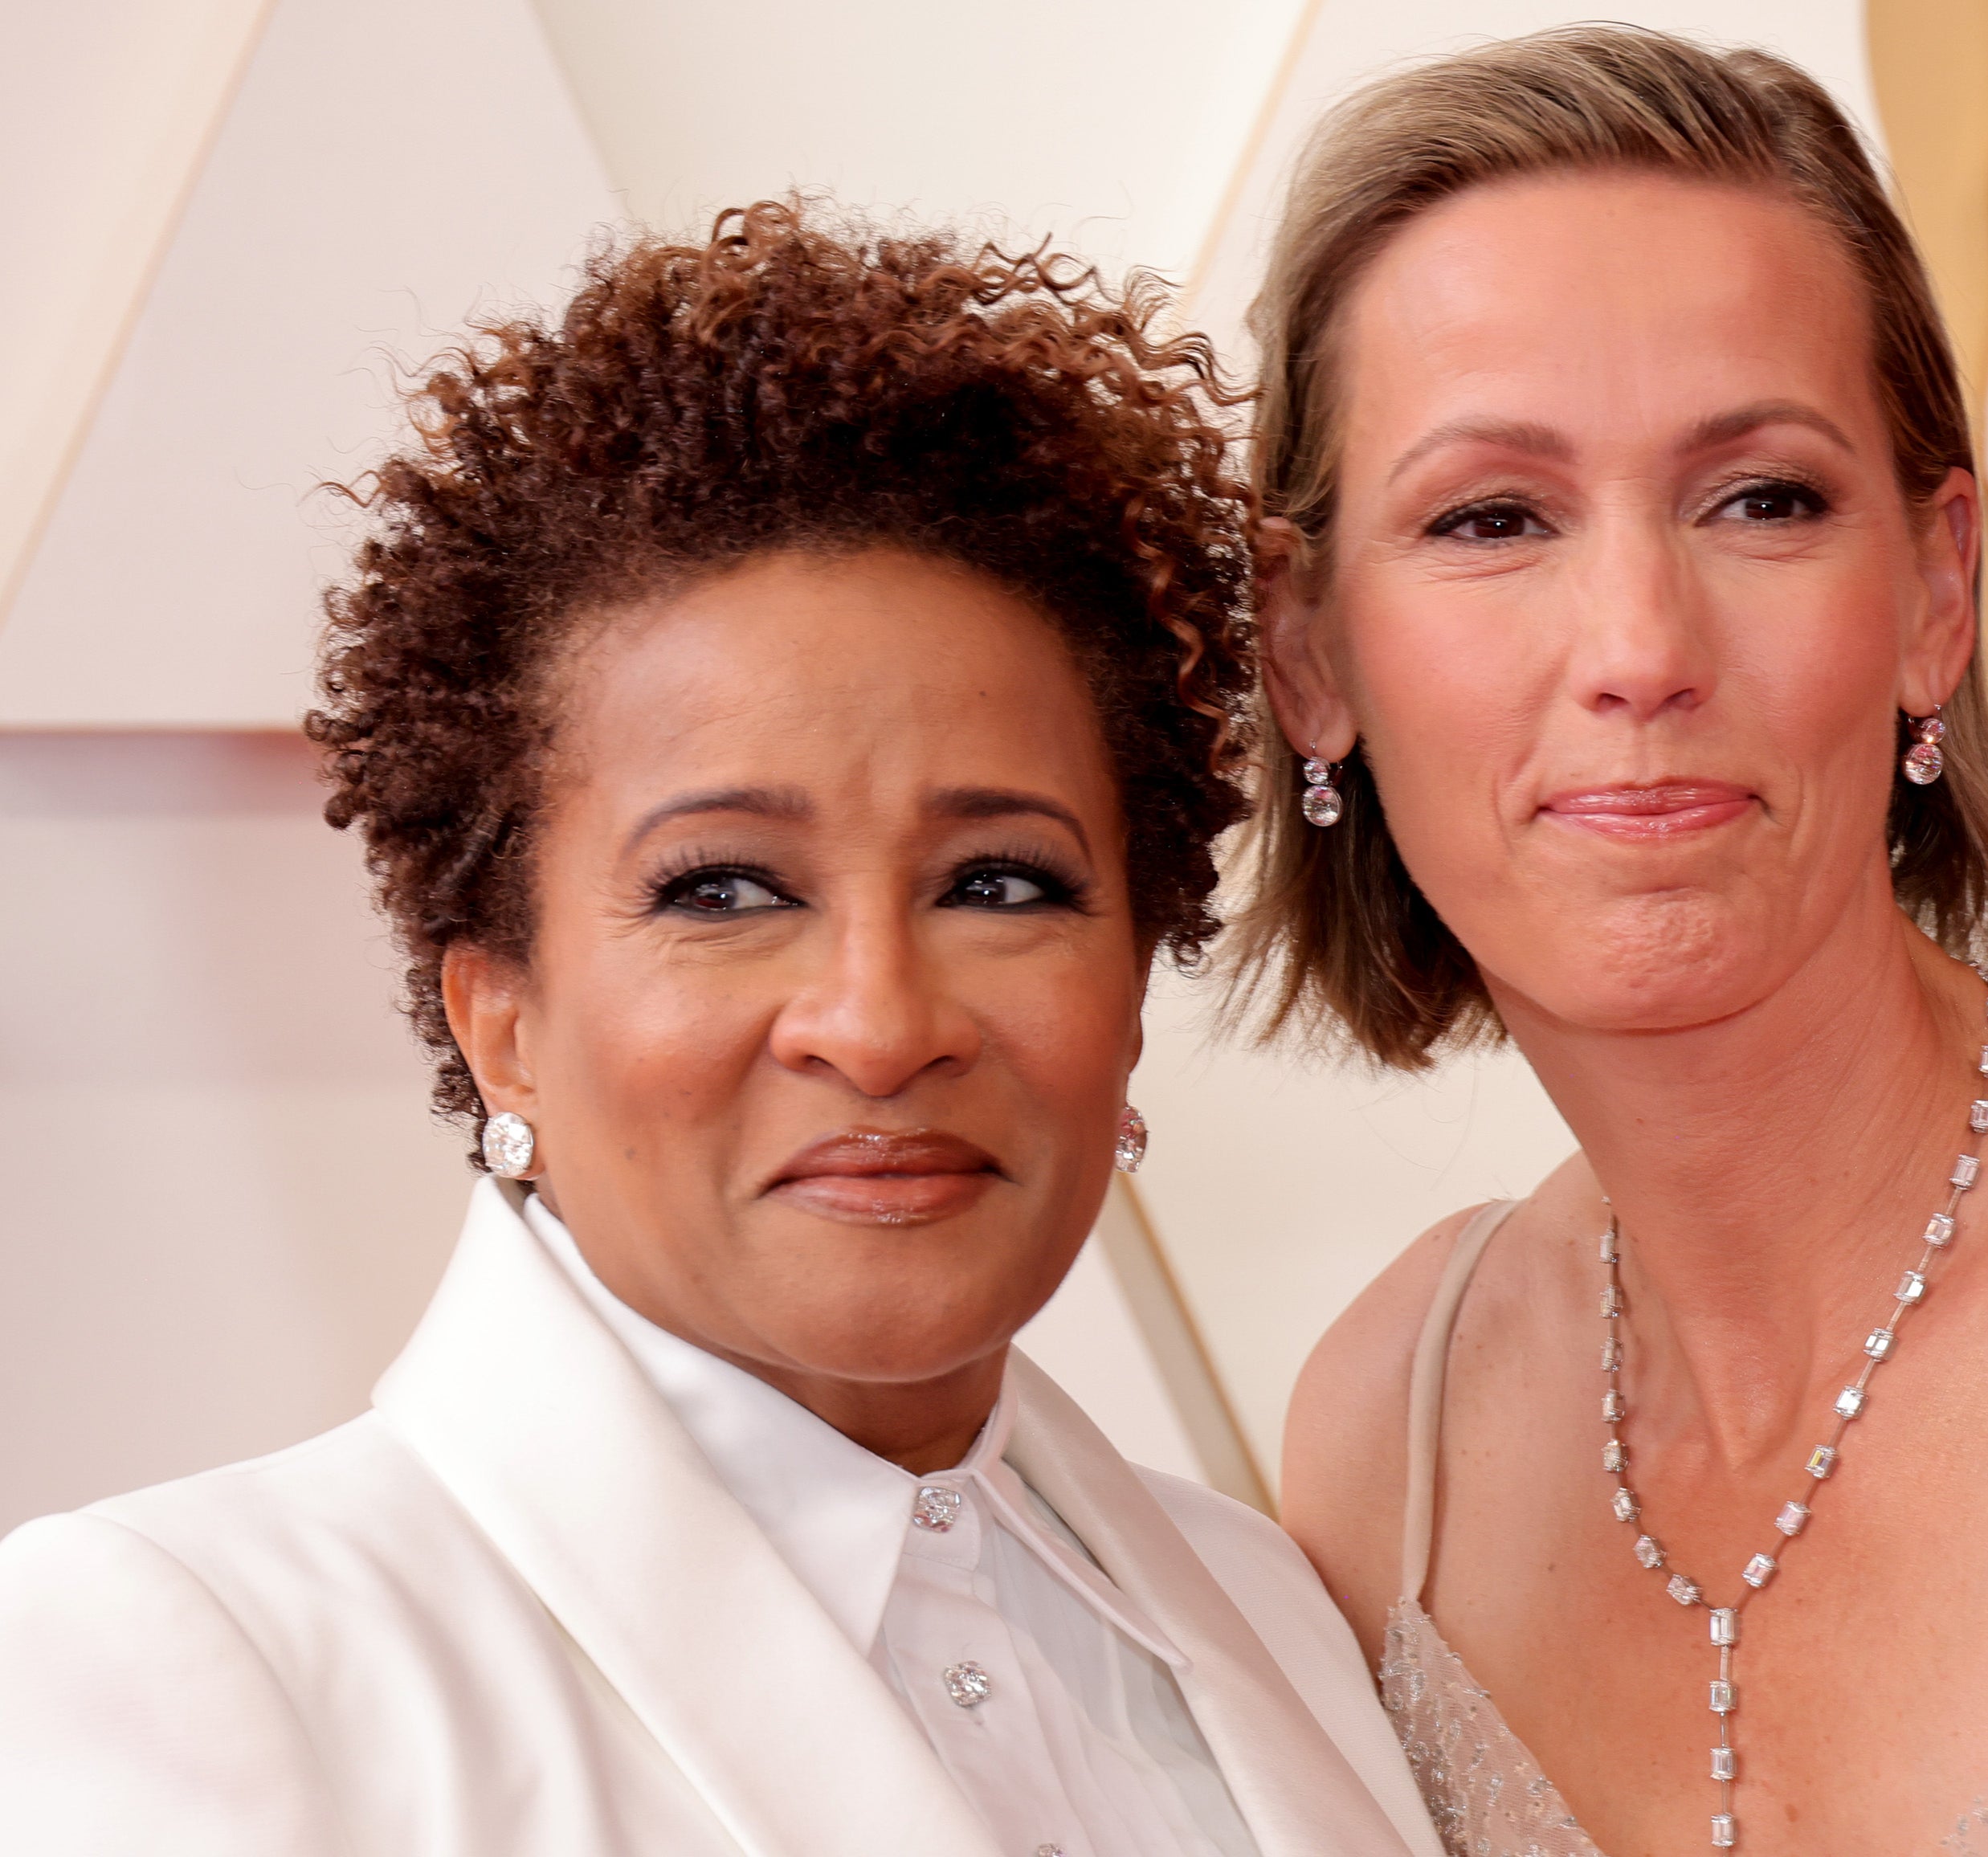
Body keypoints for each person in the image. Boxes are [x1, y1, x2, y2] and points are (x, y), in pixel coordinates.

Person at [0, 202, 1438, 1857]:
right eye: (725, 891)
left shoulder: (1278, 1608)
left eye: (1001, 880)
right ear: (503, 1019)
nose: (882, 1024)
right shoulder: (204, 1658)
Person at [1238, 26, 1988, 1857]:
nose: (1640, 644)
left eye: (1762, 500)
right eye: (1491, 516)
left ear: (1935, 590)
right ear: (1309, 653)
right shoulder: (1383, 1443)